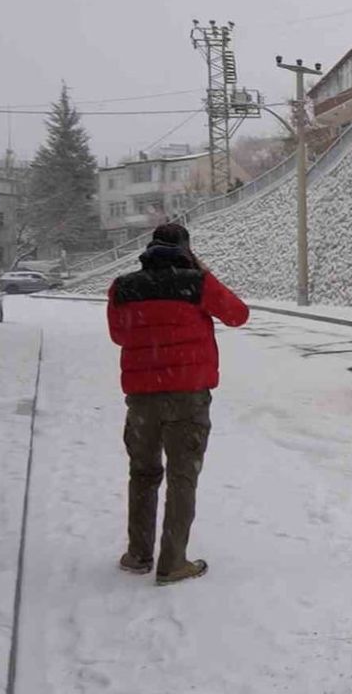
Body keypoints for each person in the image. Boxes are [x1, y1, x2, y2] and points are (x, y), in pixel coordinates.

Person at [107, 223, 249, 585]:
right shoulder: (197, 283)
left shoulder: (123, 286)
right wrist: (201, 272)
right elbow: (238, 315)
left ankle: (138, 555)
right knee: (182, 477)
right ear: (186, 249)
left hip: (142, 399)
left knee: (143, 474)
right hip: (188, 397)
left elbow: (119, 335)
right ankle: (173, 563)